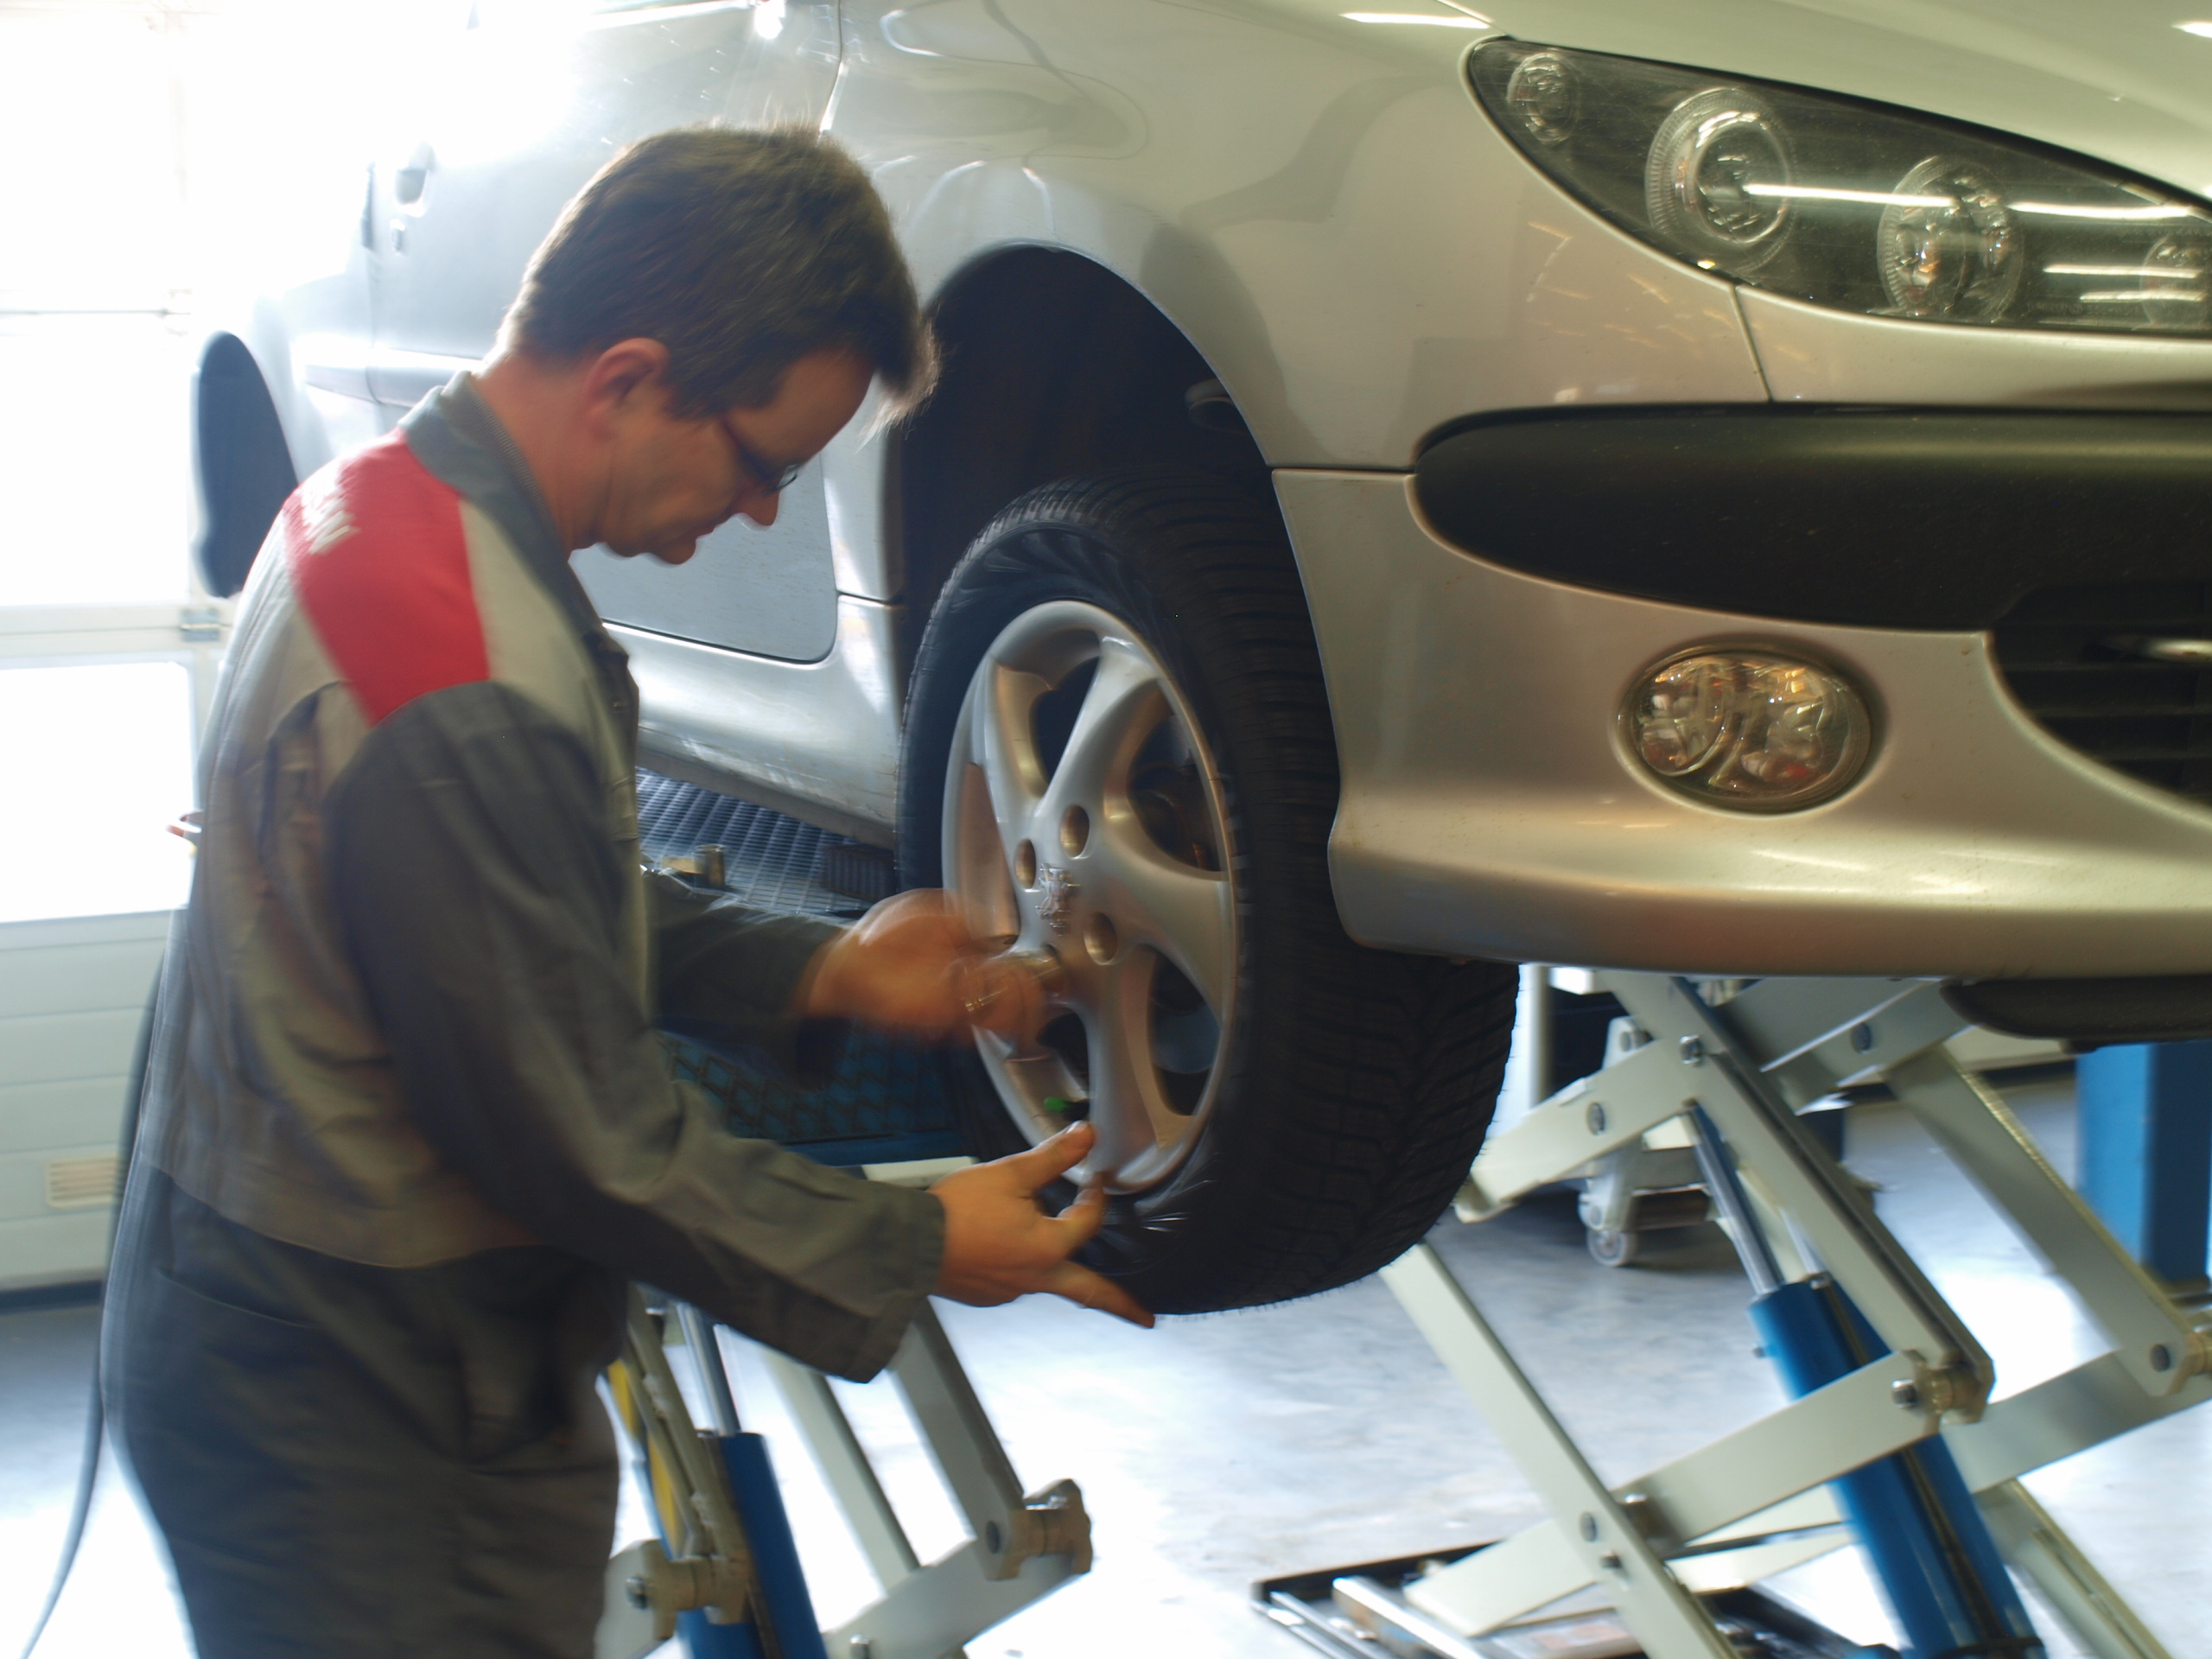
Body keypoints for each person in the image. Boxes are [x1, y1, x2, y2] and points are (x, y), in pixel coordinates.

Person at [103, 126, 1149, 1659]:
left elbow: (492, 911)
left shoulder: (369, 507)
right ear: (629, 379)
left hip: (276, 1316)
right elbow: (574, 1140)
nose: (766, 511)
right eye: (764, 461)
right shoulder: (460, 669)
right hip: (368, 1405)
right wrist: (915, 1246)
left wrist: (818, 969)